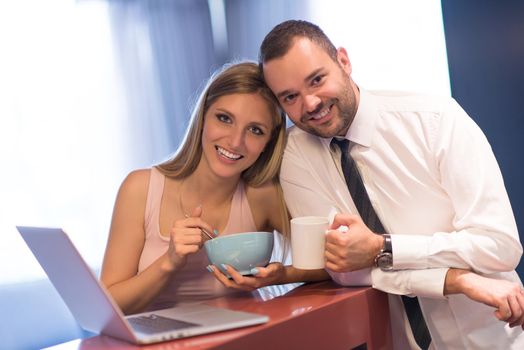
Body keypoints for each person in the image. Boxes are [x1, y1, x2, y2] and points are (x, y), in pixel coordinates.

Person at [259, 20, 524, 349]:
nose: (310, 103)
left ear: (343, 60)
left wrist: (382, 248)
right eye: (290, 97)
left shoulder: (436, 120)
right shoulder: (297, 156)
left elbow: (499, 246)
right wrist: (457, 279)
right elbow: (346, 269)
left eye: (317, 80)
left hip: (492, 340)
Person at [100, 61, 328, 314]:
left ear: (268, 142)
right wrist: (169, 262)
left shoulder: (261, 196)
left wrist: (281, 274)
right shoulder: (140, 188)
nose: (235, 141)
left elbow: (334, 264)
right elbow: (108, 306)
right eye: (224, 118)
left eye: (255, 130)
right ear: (203, 117)